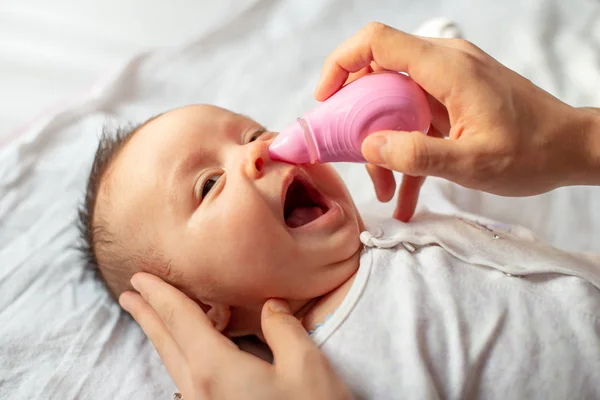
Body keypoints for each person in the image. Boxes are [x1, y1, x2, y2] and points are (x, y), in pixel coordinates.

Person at [107, 23, 600, 399]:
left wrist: (430, 73)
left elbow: (476, 171)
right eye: (209, 183)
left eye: (253, 133)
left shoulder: (397, 209)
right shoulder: (333, 371)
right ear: (205, 311)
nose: (258, 151)